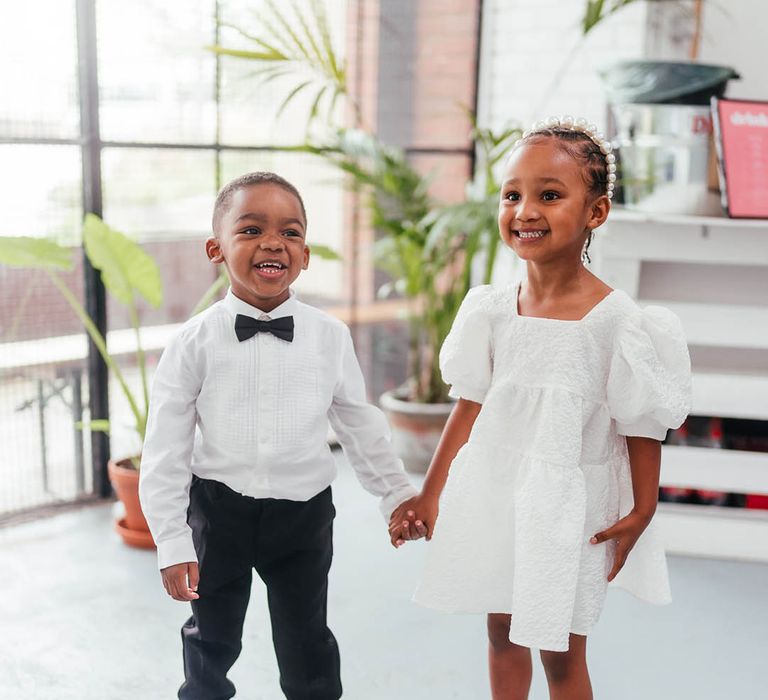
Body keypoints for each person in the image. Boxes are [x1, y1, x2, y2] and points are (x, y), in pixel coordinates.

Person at [388, 116, 692, 700]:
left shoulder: (619, 323)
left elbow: (641, 422)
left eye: (549, 196)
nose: (525, 210)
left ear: (595, 213)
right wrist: (430, 493)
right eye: (512, 195)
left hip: (567, 507)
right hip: (499, 490)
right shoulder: (493, 310)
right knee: (500, 630)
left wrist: (643, 509)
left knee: (557, 648)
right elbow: (470, 403)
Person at [139, 171, 422, 700]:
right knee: (211, 635)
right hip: (218, 510)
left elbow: (359, 423)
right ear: (215, 248)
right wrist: (172, 540)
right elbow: (166, 448)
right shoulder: (193, 342)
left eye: (290, 232)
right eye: (250, 229)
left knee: (306, 634)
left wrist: (397, 495)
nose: (273, 241)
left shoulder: (329, 336)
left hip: (304, 513)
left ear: (306, 254)